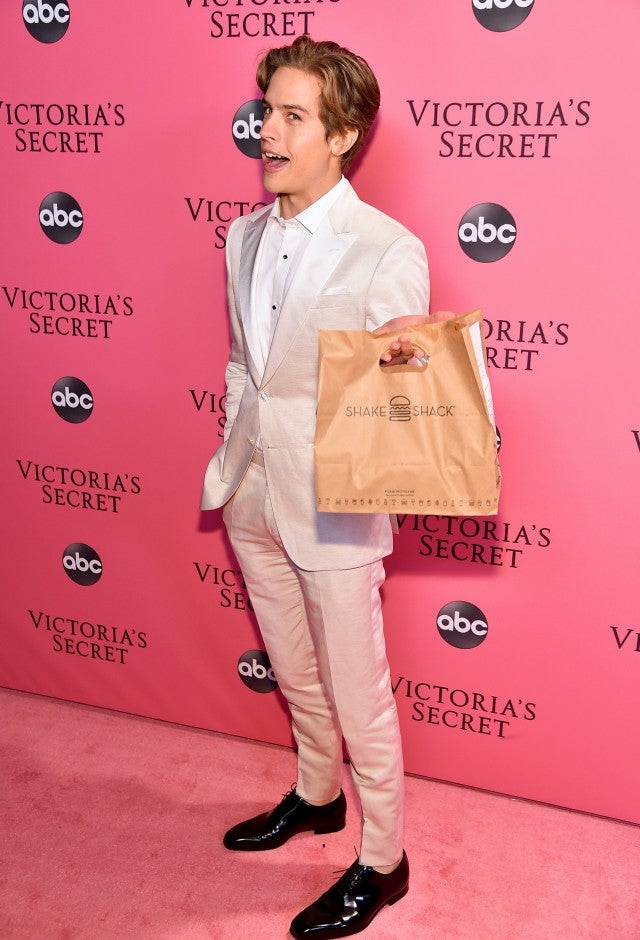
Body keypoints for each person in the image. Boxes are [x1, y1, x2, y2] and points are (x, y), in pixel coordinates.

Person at [201, 35, 434, 939]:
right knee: (294, 668)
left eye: (293, 116)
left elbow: (403, 394)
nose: (267, 130)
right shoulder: (242, 234)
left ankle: (383, 858)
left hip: (337, 504)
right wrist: (236, 450)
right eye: (267, 111)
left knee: (357, 691)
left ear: (342, 136)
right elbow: (242, 361)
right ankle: (315, 792)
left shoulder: (385, 248)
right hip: (253, 488)